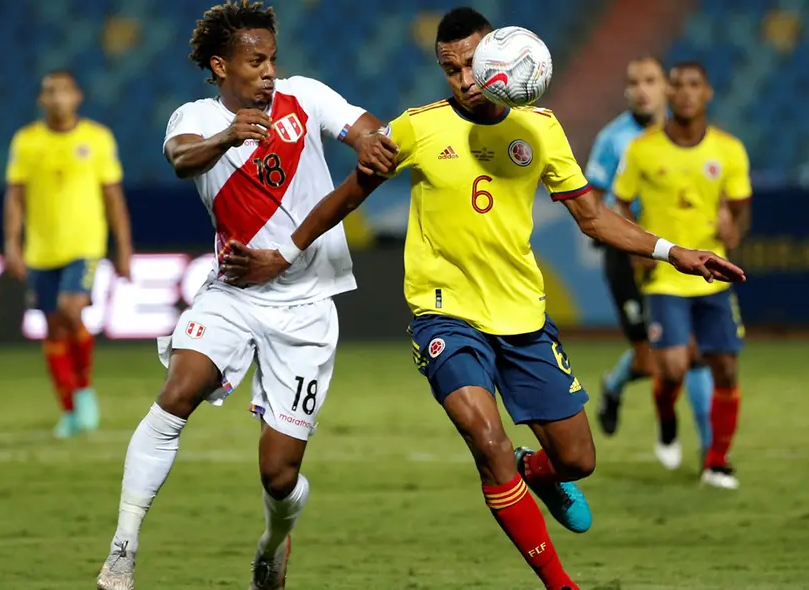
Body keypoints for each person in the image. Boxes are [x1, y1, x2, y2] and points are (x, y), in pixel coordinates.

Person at [219, 9, 745, 588]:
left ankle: (536, 472)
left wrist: (675, 252)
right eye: (451, 69)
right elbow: (346, 197)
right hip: (443, 313)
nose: (464, 79)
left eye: (471, 64)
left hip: (522, 315)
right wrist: (286, 252)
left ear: (499, 56)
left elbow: (593, 218)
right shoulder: (417, 128)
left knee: (577, 461)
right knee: (487, 440)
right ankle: (561, 583)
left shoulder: (539, 129)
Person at [94, 2, 398, 589]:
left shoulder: (303, 97)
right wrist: (225, 135)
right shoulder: (195, 115)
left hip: (307, 308)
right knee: (177, 394)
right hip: (232, 294)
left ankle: (273, 545)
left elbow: (369, 131)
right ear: (220, 66)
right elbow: (181, 159)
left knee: (278, 475)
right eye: (255, 61)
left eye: (272, 59)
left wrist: (371, 144)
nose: (268, 71)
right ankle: (122, 553)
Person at [612, 61, 751, 490]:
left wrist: (734, 229)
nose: (687, 93)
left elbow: (741, 208)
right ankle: (667, 419)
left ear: (708, 93)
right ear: (669, 95)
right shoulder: (642, 149)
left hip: (714, 275)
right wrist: (637, 247)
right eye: (679, 86)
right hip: (667, 276)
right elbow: (621, 202)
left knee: (724, 367)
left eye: (695, 85)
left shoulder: (729, 150)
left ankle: (717, 461)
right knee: (671, 367)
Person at [585, 57, 714, 470]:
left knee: (691, 350)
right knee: (649, 359)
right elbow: (592, 199)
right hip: (627, 255)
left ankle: (709, 451)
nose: (642, 89)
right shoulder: (613, 139)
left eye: (650, 80)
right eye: (633, 81)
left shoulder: (684, 137)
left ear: (667, 89)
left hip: (674, 252)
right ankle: (614, 386)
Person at [3, 70, 133, 439]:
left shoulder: (97, 138)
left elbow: (113, 197)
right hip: (41, 250)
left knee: (71, 309)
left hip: (84, 246)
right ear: (42, 100)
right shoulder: (27, 141)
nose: (57, 98)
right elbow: (15, 196)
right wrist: (12, 243)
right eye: (49, 92)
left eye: (63, 91)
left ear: (77, 97)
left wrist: (123, 248)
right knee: (54, 327)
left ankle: (84, 391)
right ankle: (69, 409)